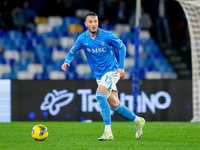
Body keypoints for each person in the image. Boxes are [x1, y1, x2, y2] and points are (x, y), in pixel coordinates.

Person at [61, 12, 145, 141]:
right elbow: (72, 52)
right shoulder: (82, 38)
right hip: (100, 76)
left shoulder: (106, 35)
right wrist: (67, 61)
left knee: (100, 95)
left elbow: (122, 47)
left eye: (95, 21)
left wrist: (121, 67)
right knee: (115, 105)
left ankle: (108, 132)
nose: (94, 24)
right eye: (91, 22)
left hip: (111, 71)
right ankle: (138, 121)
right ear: (86, 24)